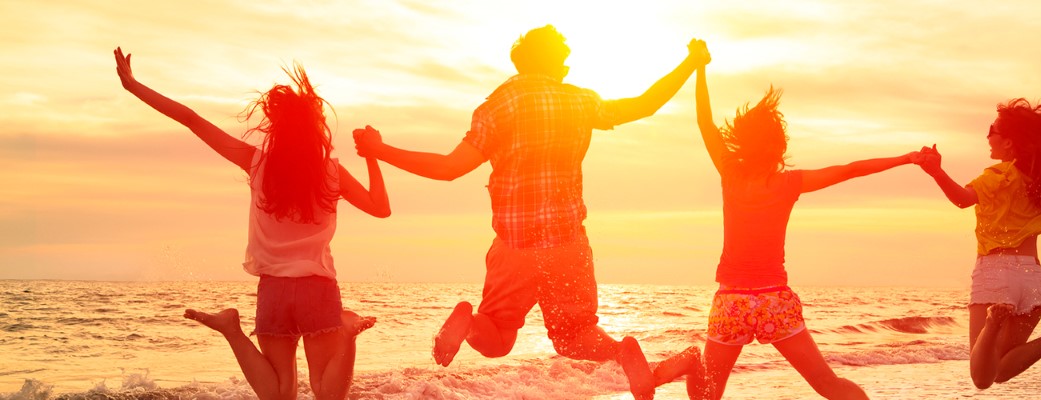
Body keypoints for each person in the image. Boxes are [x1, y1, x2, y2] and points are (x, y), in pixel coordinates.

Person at [352, 25, 710, 399]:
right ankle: (622, 352)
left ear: (521, 61)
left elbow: (449, 168)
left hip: (514, 250)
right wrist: (690, 62)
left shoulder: (497, 106)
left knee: (497, 338)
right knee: (575, 337)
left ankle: (470, 322)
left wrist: (381, 149)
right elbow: (645, 104)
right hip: (567, 246)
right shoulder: (580, 101)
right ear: (556, 63)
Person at [114, 47, 388, 400]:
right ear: (315, 128)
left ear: (275, 126)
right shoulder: (332, 172)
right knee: (325, 392)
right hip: (317, 287)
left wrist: (134, 87)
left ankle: (232, 331)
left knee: (278, 394)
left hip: (274, 289)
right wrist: (374, 156)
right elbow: (381, 208)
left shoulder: (257, 162)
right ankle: (348, 337)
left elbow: (192, 119)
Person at [680, 42, 924, 400]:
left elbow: (703, 121)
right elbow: (852, 170)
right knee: (828, 385)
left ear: (741, 142)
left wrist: (699, 67)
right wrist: (906, 158)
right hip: (774, 300)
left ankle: (686, 362)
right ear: (778, 145)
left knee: (707, 394)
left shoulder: (729, 173)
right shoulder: (789, 183)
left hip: (732, 300)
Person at [911, 24, 1041, 389]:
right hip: (1031, 277)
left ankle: (994, 322)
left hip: (995, 272)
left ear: (1012, 144)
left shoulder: (997, 177)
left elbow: (961, 200)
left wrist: (936, 172)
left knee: (981, 377)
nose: (988, 135)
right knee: (998, 372)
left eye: (993, 129)